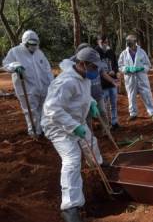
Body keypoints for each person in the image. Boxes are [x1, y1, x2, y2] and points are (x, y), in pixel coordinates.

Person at [41, 47, 105, 222]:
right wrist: (73, 126)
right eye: (93, 67)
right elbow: (51, 109)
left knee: (91, 142)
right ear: (82, 64)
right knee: (72, 158)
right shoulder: (65, 82)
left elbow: (81, 96)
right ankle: (70, 207)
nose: (95, 71)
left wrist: (91, 103)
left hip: (76, 119)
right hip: (57, 126)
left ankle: (98, 167)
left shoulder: (83, 76)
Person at [2, 30, 53, 137]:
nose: (33, 47)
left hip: (43, 87)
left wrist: (51, 83)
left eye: (35, 44)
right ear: (25, 43)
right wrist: (15, 67)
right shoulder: (15, 51)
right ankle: (34, 132)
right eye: (31, 44)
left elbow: (47, 69)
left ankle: (43, 129)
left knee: (43, 109)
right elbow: (6, 64)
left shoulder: (39, 52)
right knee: (31, 111)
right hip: (27, 88)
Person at [118, 34, 153, 121]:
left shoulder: (142, 52)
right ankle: (133, 113)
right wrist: (127, 69)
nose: (130, 45)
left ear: (135, 42)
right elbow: (120, 66)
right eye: (128, 43)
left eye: (131, 42)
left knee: (146, 94)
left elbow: (147, 64)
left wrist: (142, 68)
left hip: (141, 77)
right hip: (130, 78)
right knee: (131, 95)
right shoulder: (123, 54)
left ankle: (152, 113)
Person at [94, 35, 120, 130]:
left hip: (112, 82)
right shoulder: (95, 53)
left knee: (113, 103)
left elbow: (116, 64)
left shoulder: (111, 51)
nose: (105, 44)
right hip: (102, 83)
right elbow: (95, 69)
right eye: (102, 42)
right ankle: (106, 124)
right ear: (98, 41)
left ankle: (114, 122)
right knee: (103, 106)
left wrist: (115, 71)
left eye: (106, 42)